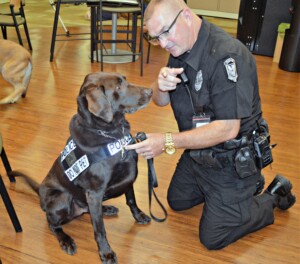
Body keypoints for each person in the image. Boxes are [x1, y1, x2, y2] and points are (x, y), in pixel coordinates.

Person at [125, 0, 296, 250]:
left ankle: (271, 196)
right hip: (200, 153)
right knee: (177, 200)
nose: (162, 43)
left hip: (232, 159)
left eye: (165, 33)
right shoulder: (179, 47)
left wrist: (167, 142)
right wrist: (159, 86)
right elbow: (160, 101)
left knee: (213, 237)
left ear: (185, 15)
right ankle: (239, 194)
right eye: (155, 38)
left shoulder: (228, 56)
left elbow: (228, 129)